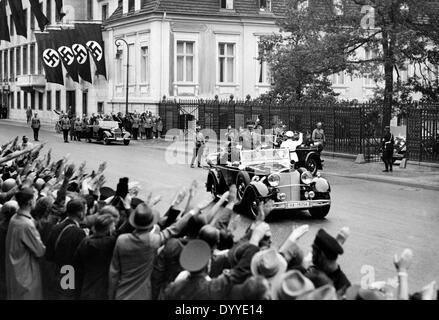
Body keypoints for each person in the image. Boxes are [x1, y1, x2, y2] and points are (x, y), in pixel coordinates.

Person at [108, 203, 193, 300]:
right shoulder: (153, 241)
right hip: (142, 296)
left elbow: (113, 273)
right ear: (150, 225)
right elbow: (173, 230)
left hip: (121, 294)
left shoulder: (121, 240)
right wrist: (191, 212)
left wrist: (111, 296)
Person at [5, 187, 46, 300]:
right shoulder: (27, 225)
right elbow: (40, 251)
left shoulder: (15, 218)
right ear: (29, 201)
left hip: (16, 270)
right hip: (26, 275)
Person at [45, 199, 87, 300]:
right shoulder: (79, 233)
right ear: (80, 213)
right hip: (69, 275)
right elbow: (81, 259)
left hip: (54, 272)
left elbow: (48, 253)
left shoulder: (55, 227)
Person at [305, 229, 351, 296]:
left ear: (322, 255)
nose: (312, 253)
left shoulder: (344, 288)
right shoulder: (313, 270)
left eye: (314, 250)